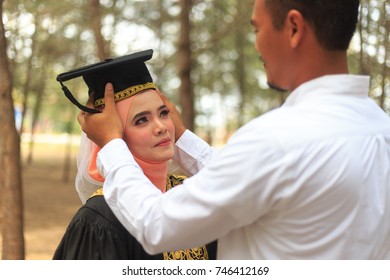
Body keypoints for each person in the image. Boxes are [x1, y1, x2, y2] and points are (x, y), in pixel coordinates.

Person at [77, 0, 390, 259]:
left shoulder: (275, 140)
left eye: (257, 28)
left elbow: (156, 225)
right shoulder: (381, 130)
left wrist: (112, 144)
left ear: (293, 28)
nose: (257, 45)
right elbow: (267, 183)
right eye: (143, 119)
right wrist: (184, 140)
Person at [53, 50, 217, 260]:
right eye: (141, 120)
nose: (161, 127)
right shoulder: (99, 219)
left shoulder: (190, 193)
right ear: (114, 135)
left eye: (164, 113)